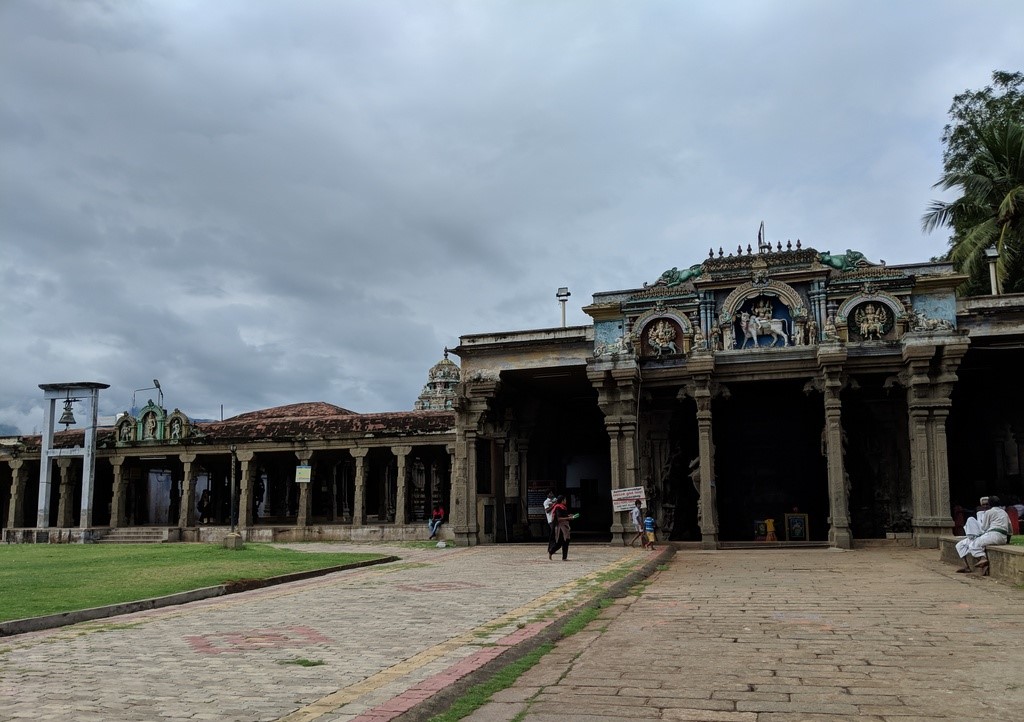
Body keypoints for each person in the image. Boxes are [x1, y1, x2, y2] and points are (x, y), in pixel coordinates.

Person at [956, 496, 1012, 573]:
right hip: (1002, 537)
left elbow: (984, 527)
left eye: (987, 504)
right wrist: (1007, 540)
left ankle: (983, 559)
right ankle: (977, 564)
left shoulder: (989, 512)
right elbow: (1010, 529)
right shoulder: (1004, 512)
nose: (985, 506)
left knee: (973, 545)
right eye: (983, 504)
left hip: (992, 535)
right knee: (965, 544)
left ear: (989, 504)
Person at [548, 495, 574, 561]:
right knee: (560, 542)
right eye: (565, 499)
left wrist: (569, 516)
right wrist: (568, 518)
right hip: (560, 528)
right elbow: (559, 518)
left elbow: (564, 516)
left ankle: (564, 557)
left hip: (565, 527)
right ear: (562, 500)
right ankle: (551, 551)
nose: (565, 501)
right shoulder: (558, 507)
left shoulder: (563, 507)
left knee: (566, 541)